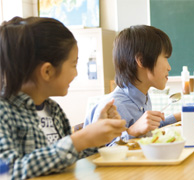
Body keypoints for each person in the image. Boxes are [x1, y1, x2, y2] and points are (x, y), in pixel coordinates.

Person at [0, 17, 126, 179]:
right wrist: (80, 139)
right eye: (73, 64)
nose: (76, 73)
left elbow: (68, 158)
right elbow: (9, 171)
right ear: (47, 71)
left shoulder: (53, 110)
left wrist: (95, 138)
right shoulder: (4, 111)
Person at [83, 25, 180, 145]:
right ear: (141, 61)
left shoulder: (143, 96)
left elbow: (147, 127)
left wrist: (178, 116)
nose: (169, 67)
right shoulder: (116, 106)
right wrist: (132, 131)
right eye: (165, 58)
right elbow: (101, 154)